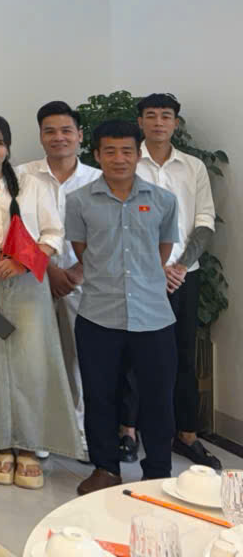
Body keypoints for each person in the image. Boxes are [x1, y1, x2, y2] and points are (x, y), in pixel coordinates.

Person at [0, 115, 84, 490]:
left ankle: (28, 446)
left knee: (30, 361)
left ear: (8, 148)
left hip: (28, 279)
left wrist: (24, 262)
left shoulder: (30, 185)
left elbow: (53, 234)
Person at [67, 120, 179, 495]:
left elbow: (162, 251)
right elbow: (83, 251)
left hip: (153, 317)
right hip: (99, 314)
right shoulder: (79, 201)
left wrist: (142, 279)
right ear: (97, 154)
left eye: (127, 151)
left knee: (157, 399)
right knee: (100, 396)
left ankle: (158, 471)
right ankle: (105, 469)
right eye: (110, 151)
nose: (119, 158)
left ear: (138, 154)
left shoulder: (163, 200)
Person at [134, 93, 219, 469]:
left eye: (165, 116)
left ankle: (186, 434)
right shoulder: (127, 160)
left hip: (185, 275)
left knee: (183, 354)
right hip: (139, 274)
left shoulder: (193, 167)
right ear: (140, 122)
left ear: (176, 123)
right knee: (135, 356)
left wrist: (181, 265)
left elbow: (204, 221)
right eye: (150, 115)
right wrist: (156, 267)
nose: (158, 122)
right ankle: (129, 432)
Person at [15, 101, 102, 452]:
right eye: (49, 131)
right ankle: (39, 437)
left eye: (66, 130)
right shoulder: (21, 175)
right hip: (33, 279)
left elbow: (108, 233)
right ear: (40, 136)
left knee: (83, 360)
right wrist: (47, 269)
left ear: (79, 135)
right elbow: (13, 229)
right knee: (35, 358)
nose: (58, 137)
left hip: (85, 283)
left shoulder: (97, 179)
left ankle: (80, 435)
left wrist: (77, 272)